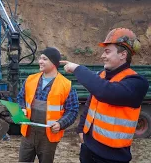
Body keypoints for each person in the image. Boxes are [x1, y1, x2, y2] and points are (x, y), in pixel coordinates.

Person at [61, 28, 149, 163]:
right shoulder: (101, 76)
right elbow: (91, 104)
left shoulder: (137, 83)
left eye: (107, 51)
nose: (103, 56)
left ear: (123, 55)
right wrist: (81, 130)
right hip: (88, 150)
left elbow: (105, 92)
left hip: (111, 157)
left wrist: (77, 69)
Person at [17, 47, 79, 163]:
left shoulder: (66, 85)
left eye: (44, 59)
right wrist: (22, 109)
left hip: (49, 135)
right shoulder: (30, 80)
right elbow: (21, 98)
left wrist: (61, 124)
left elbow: (72, 110)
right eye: (40, 58)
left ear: (54, 63)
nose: (40, 61)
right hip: (28, 132)